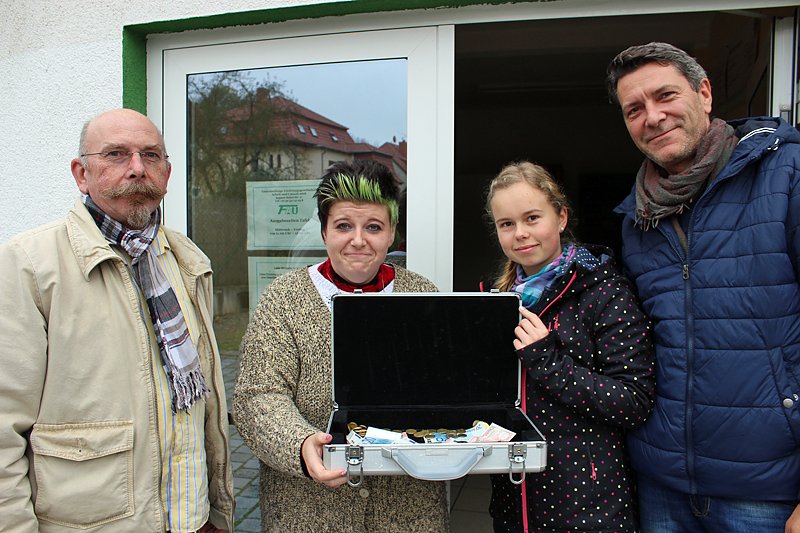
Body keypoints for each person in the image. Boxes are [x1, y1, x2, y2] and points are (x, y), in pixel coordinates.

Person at [0, 108, 234, 532]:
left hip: (190, 517)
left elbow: (197, 407)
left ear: (167, 171)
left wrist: (212, 513)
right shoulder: (29, 264)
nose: (137, 168)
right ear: (81, 173)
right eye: (116, 154)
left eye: (151, 155)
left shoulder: (184, 259)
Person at [606, 42, 800, 532]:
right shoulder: (636, 219)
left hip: (768, 492)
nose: (653, 116)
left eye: (664, 95)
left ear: (704, 94)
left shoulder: (785, 176)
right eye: (634, 109)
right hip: (662, 484)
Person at [233, 160, 449, 531]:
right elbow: (258, 396)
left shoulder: (422, 294)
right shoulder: (283, 299)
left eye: (374, 227)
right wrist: (299, 443)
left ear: (393, 233)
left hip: (409, 512)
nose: (358, 240)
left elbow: (447, 384)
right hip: (308, 512)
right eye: (344, 226)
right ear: (324, 232)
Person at [483, 161, 655, 532]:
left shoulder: (605, 292)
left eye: (532, 218)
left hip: (588, 504)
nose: (521, 234)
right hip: (515, 499)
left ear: (560, 217)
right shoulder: (496, 300)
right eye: (506, 224)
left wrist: (546, 358)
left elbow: (633, 402)